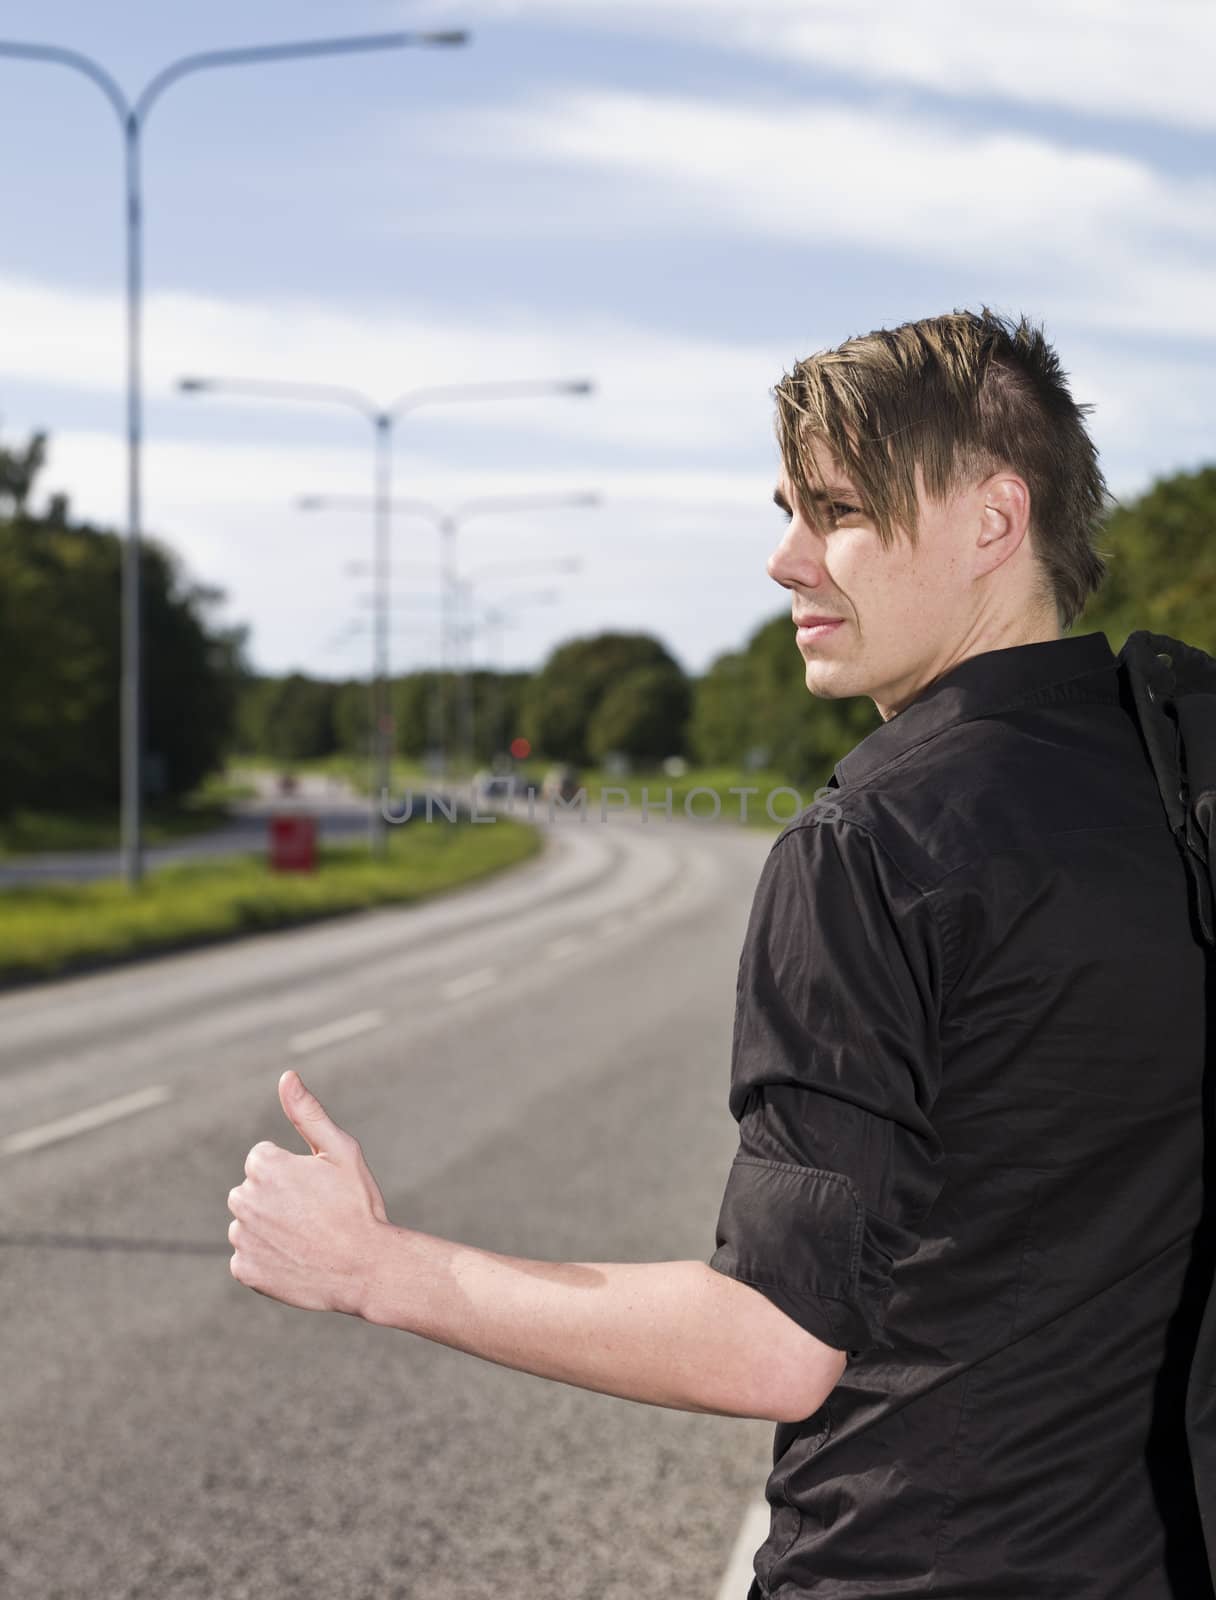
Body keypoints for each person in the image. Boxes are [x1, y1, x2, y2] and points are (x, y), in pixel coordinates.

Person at [227, 307, 1214, 1598]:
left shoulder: (872, 844)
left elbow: (771, 1344)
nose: (786, 559)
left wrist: (380, 1269)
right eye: (788, 509)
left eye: (839, 511)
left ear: (993, 520)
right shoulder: (1183, 771)